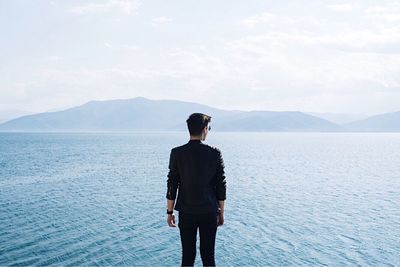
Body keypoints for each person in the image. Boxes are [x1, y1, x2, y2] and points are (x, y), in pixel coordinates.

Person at [166, 112, 227, 267]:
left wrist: (170, 212)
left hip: (186, 212)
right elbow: (221, 184)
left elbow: (172, 184)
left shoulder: (177, 153)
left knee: (187, 257)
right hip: (209, 211)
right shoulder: (214, 153)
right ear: (205, 129)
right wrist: (221, 212)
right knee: (208, 257)